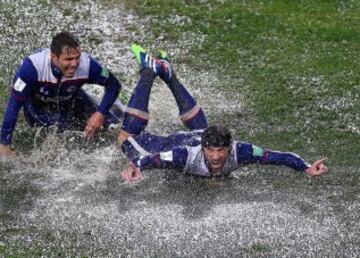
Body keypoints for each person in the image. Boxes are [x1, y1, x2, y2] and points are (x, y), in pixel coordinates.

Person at [119, 44, 328, 183]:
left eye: (221, 150)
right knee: (125, 139)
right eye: (211, 151)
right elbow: (154, 160)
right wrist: (135, 166)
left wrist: (307, 168)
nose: (217, 157)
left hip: (200, 134)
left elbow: (278, 157)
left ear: (230, 147)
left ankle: (166, 71)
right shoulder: (181, 155)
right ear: (204, 149)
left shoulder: (242, 152)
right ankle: (149, 71)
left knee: (203, 129)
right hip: (176, 142)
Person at [0, 31, 126, 156]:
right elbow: (14, 104)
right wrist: (4, 143)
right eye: (69, 59)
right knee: (57, 138)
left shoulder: (87, 65)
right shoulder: (31, 69)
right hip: (38, 105)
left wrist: (100, 114)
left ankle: (115, 110)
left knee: (113, 127)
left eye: (77, 57)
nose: (75, 64)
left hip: (72, 97)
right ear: (54, 57)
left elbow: (114, 85)